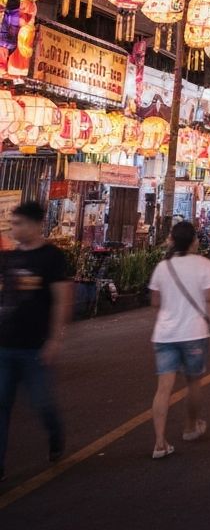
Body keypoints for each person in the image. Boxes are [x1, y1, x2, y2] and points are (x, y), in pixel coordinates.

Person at [0, 201, 70, 480]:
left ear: (34, 224)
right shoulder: (8, 258)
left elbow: (62, 300)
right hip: (5, 345)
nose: (12, 228)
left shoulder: (52, 258)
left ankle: (55, 436)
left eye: (18, 223)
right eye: (12, 223)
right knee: (1, 406)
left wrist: (55, 339)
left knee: (42, 404)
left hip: (35, 348)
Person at [147, 221, 210, 459]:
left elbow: (154, 302)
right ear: (194, 241)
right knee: (193, 384)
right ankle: (191, 427)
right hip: (194, 333)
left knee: (163, 389)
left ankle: (160, 442)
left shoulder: (163, 267)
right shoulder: (204, 265)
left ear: (172, 240)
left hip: (165, 334)